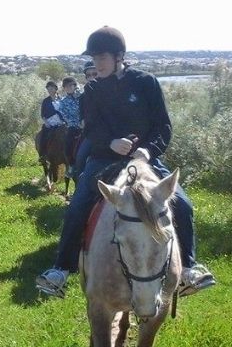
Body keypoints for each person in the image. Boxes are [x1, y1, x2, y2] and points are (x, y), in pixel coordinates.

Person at [36, 26, 217, 300]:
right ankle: (61, 270)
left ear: (120, 56)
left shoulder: (146, 83)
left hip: (145, 159)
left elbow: (163, 127)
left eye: (102, 58)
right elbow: (92, 129)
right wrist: (110, 143)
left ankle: (189, 269)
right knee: (78, 205)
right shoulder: (93, 90)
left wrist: (146, 151)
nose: (97, 64)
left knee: (183, 204)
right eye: (94, 59)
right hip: (104, 158)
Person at [58, 76, 83, 173]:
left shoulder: (83, 96)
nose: (68, 88)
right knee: (67, 145)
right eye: (66, 87)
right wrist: (77, 124)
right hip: (74, 127)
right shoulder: (63, 102)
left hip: (87, 124)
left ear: (74, 85)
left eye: (70, 85)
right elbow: (66, 116)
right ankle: (71, 165)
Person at [36, 80, 62, 159]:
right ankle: (42, 155)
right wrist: (46, 122)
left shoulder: (61, 99)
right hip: (49, 123)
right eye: (48, 89)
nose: (50, 90)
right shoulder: (45, 101)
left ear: (55, 89)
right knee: (43, 135)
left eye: (51, 88)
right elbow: (43, 114)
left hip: (61, 122)